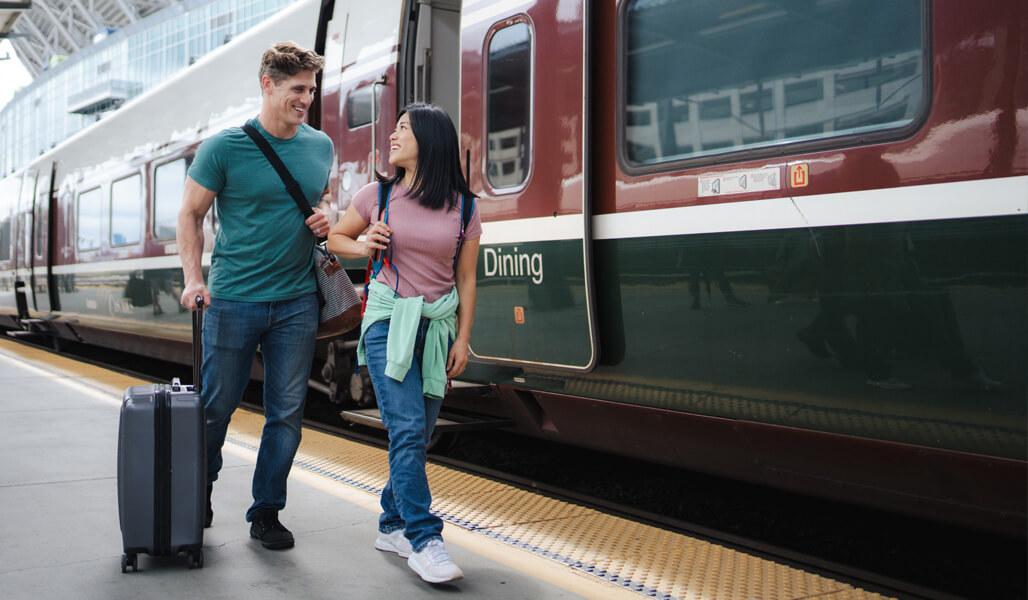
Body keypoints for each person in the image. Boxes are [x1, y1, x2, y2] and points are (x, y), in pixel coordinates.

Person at [176, 41, 332, 550]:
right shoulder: (225, 147)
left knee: (286, 414)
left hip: (296, 302)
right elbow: (190, 215)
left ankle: (266, 511)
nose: (306, 98)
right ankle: (198, 489)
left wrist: (324, 218)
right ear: (267, 84)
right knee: (215, 408)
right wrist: (193, 279)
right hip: (234, 299)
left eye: (310, 89)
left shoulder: (320, 147)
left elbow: (313, 207)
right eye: (296, 89)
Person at [327, 103, 481, 583]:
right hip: (387, 323)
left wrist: (464, 339)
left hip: (435, 329)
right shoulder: (378, 195)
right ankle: (423, 538)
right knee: (410, 429)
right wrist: (363, 244)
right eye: (393, 128)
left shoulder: (465, 206)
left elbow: (467, 278)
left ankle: (391, 523)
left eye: (402, 129)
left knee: (418, 431)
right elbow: (334, 239)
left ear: (430, 141)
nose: (392, 135)